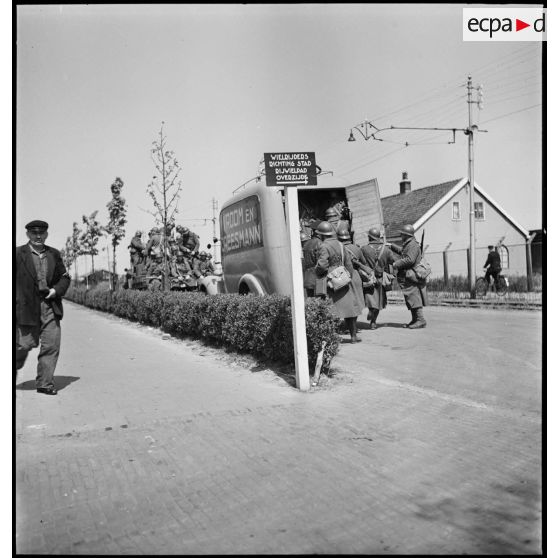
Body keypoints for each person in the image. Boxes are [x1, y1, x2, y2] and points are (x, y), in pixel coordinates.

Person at [16, 220, 71, 395]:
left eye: (42, 233)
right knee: (24, 345)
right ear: (28, 235)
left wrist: (56, 290)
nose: (38, 236)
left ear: (46, 234)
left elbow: (64, 277)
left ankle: (45, 383)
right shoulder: (17, 254)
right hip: (25, 307)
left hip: (50, 305)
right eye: (34, 233)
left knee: (51, 345)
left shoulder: (54, 254)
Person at [315, 221, 364, 343]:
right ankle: (353, 336)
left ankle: (331, 338)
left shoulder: (323, 246)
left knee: (330, 310)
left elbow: (322, 265)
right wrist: (347, 277)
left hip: (330, 280)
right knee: (350, 309)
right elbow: (349, 264)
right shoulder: (341, 245)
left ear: (322, 235)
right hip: (343, 277)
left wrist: (318, 272)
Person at [390, 224, 427, 329]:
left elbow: (409, 259)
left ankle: (420, 320)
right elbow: (403, 252)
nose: (401, 235)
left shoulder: (412, 245)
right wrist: (391, 246)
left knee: (413, 297)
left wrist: (396, 264)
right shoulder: (409, 244)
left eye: (402, 234)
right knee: (410, 297)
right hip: (408, 275)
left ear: (406, 235)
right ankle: (415, 320)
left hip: (411, 275)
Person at [360, 227, 395, 329]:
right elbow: (392, 261)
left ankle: (371, 310)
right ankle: (373, 322)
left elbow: (361, 262)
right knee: (379, 301)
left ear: (370, 237)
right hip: (380, 278)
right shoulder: (386, 250)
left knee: (370, 298)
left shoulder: (364, 249)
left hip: (368, 278)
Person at [337, 226, 366, 313]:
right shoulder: (356, 248)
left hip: (343, 276)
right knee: (357, 299)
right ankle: (354, 322)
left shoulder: (338, 248)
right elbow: (364, 262)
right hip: (356, 275)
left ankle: (350, 323)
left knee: (346, 301)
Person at [301, 229, 322, 298]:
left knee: (311, 301)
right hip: (317, 276)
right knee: (321, 301)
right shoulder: (319, 243)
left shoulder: (306, 244)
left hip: (308, 276)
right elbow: (321, 262)